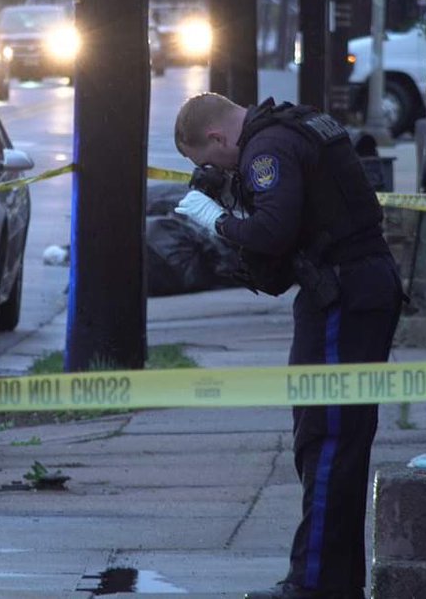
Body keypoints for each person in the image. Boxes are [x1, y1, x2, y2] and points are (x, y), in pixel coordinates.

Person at [172, 93, 404, 599]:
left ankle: (313, 584)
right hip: (355, 289)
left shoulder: (267, 148)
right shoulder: (290, 128)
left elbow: (271, 232)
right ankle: (336, 583)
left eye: (211, 161)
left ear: (216, 137)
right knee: (337, 443)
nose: (217, 168)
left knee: (325, 440)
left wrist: (212, 216)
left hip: (344, 296)